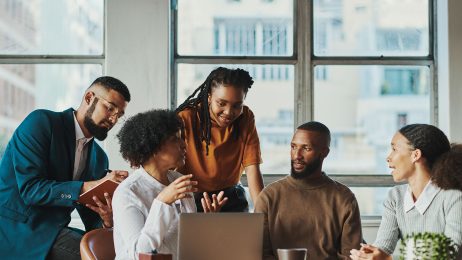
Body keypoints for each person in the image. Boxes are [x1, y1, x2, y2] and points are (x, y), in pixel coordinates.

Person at [0, 76, 131, 260]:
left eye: (119, 115)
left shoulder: (100, 159)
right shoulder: (41, 123)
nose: (113, 119)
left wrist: (107, 219)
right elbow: (30, 189)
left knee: (120, 251)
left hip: (55, 231)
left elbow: (92, 223)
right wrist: (87, 186)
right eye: (110, 108)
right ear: (88, 98)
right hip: (16, 231)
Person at [113, 109, 227, 260]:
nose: (184, 145)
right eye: (175, 139)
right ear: (153, 146)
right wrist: (162, 202)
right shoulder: (127, 193)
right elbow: (138, 255)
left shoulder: (179, 180)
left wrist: (206, 223)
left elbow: (186, 246)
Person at [350, 124, 462, 260]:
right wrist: (370, 254)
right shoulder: (395, 196)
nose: (388, 157)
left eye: (394, 149)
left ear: (415, 155)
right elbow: (383, 247)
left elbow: (451, 253)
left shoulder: (455, 197)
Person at [254, 121, 363, 259]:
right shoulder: (269, 196)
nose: (297, 155)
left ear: (324, 152)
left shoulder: (344, 198)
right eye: (293, 147)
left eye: (306, 148)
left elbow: (351, 256)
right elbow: (260, 254)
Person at [175, 67, 264, 212]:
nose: (229, 112)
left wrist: (263, 214)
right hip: (192, 199)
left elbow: (252, 169)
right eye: (221, 103)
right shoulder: (186, 118)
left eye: (237, 105)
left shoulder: (246, 118)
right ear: (209, 97)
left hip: (232, 196)